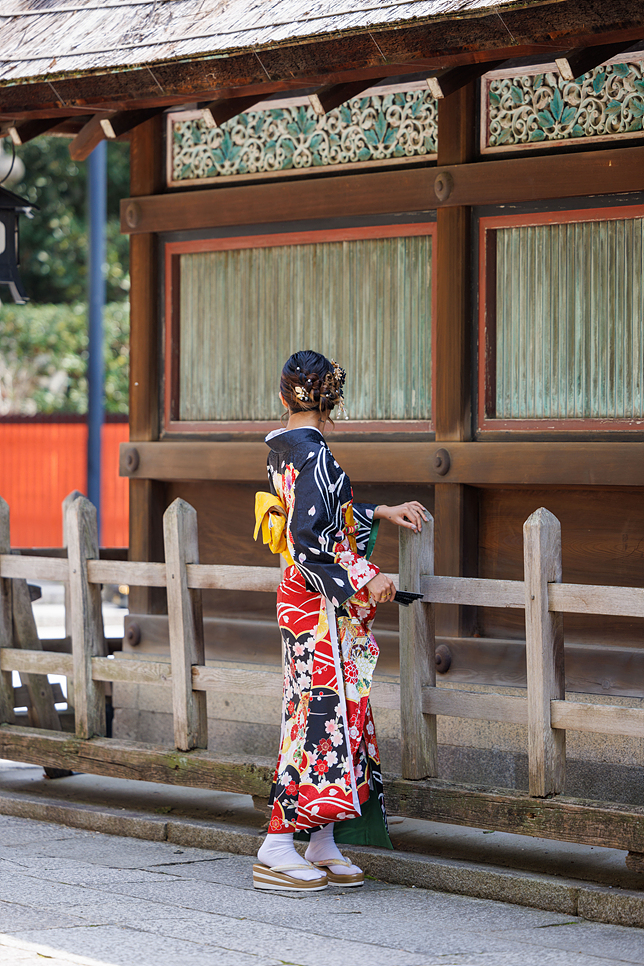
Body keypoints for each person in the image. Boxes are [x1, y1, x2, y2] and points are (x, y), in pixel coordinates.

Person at [253, 350, 427, 892]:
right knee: (318, 719)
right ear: (335, 401)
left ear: (284, 397)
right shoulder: (316, 456)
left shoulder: (285, 448)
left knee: (338, 716)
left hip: (306, 598)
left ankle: (322, 841)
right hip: (318, 603)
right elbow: (311, 541)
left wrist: (375, 512)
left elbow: (318, 514)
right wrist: (364, 575)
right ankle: (277, 844)